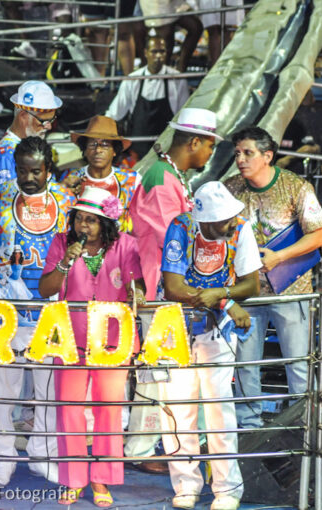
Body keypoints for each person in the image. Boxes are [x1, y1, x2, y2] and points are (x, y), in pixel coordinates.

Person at [0, 137, 76, 487]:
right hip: (3, 311)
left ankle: (42, 457)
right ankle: (2, 459)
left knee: (48, 391)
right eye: (21, 170)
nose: (28, 178)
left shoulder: (67, 202)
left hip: (51, 311)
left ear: (49, 168)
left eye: (36, 171)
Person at [126, 107, 219, 472]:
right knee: (158, 371)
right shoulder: (163, 180)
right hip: (160, 290)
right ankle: (143, 449)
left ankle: (151, 446)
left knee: (162, 371)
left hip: (161, 288)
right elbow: (173, 241)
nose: (211, 154)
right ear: (193, 142)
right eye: (209, 146)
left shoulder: (166, 174)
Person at [39, 187, 145, 506]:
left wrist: (136, 291)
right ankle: (73, 480)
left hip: (113, 343)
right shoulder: (60, 243)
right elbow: (45, 289)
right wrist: (64, 264)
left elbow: (135, 286)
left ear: (106, 223)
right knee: (70, 411)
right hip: (70, 342)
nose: (83, 227)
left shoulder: (126, 245)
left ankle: (101, 480)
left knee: (108, 412)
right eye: (78, 219)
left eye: (91, 220)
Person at [159, 181, 261, 510]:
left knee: (220, 410)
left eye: (233, 217)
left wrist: (221, 296)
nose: (232, 223)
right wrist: (225, 302)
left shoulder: (241, 229)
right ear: (205, 221)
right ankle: (186, 485)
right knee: (177, 410)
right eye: (225, 220)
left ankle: (228, 490)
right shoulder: (180, 227)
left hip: (218, 332)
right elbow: (173, 286)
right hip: (176, 326)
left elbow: (252, 284)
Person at [224, 127, 322, 428]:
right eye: (238, 153)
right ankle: (248, 428)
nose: (241, 159)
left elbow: (319, 232)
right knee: (245, 365)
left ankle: (303, 427)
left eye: (248, 153)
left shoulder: (296, 187)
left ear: (267, 156)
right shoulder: (230, 188)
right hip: (246, 291)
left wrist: (280, 256)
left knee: (298, 364)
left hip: (292, 290)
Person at [105, 36, 190, 160]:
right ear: (146, 53)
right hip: (137, 153)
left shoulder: (177, 79)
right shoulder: (133, 80)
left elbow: (184, 117)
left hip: (166, 151)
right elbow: (114, 114)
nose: (158, 56)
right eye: (154, 52)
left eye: (162, 52)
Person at [62, 116, 137, 232]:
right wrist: (63, 188)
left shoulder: (132, 180)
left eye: (105, 145)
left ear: (114, 151)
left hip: (121, 248)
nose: (98, 150)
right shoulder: (70, 178)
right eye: (92, 144)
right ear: (85, 150)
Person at [0, 81, 62, 191]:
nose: (49, 127)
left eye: (51, 120)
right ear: (23, 116)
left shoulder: (20, 150)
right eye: (43, 121)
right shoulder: (7, 156)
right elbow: (9, 201)